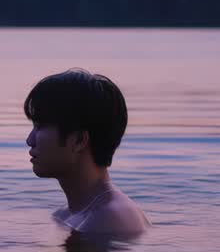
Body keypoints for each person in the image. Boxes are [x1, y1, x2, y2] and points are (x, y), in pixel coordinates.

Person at [24, 69, 148, 237]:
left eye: (41, 126)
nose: (30, 140)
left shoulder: (109, 218)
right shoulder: (69, 216)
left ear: (79, 140)